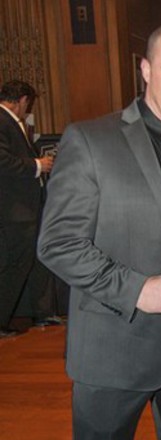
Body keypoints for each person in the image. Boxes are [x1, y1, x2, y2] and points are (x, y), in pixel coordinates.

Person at [37, 23, 161, 440]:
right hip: (116, 342)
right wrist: (138, 289)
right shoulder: (91, 140)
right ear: (145, 70)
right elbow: (57, 243)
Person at [0, 80, 54, 338]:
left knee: (26, 262)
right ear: (21, 100)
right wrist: (37, 165)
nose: (27, 109)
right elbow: (3, 161)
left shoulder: (9, 121)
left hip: (22, 208)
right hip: (14, 210)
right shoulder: (3, 120)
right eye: (27, 104)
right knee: (15, 265)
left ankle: (39, 313)